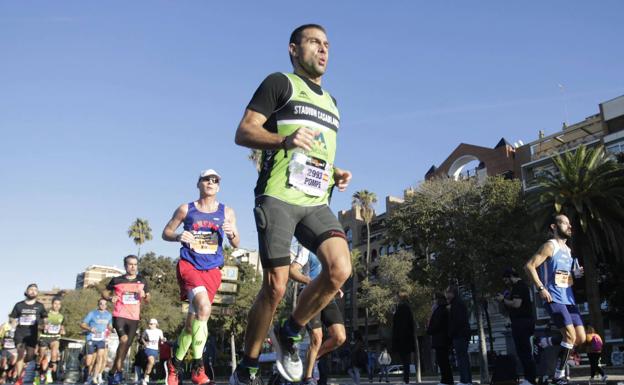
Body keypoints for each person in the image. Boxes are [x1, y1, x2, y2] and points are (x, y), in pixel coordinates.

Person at [231, 23, 352, 385]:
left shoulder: (333, 103)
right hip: (278, 196)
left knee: (339, 269)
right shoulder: (279, 83)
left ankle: (291, 329)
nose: (323, 49)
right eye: (314, 42)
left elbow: (317, 154)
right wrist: (284, 139)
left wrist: (334, 173)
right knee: (276, 286)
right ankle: (248, 368)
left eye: (327, 44)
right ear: (293, 49)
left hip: (315, 201)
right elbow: (244, 131)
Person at [162, 169, 239, 385]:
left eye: (215, 180)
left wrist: (232, 232)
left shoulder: (227, 212)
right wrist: (178, 236)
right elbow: (165, 232)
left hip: (212, 271)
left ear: (219, 187)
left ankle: (174, 365)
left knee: (191, 325)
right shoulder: (186, 209)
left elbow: (236, 242)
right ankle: (198, 368)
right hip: (189, 266)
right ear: (199, 184)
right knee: (204, 308)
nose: (211, 182)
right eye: (207, 179)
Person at [525, 214, 586, 385]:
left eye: (570, 224)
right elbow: (529, 266)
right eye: (564, 223)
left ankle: (544, 342)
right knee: (569, 335)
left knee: (580, 339)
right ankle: (558, 376)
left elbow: (564, 276)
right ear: (554, 226)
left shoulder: (568, 251)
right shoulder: (549, 246)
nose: (569, 226)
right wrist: (541, 288)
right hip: (553, 297)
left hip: (569, 299)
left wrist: (575, 274)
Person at [289, 245, 346, 385]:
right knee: (316, 338)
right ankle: (308, 379)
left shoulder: (330, 248)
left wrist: (336, 287)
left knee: (340, 337)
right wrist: (311, 282)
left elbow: (330, 273)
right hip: (310, 295)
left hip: (328, 295)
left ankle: (313, 359)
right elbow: (292, 271)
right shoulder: (306, 248)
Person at [104, 255, 151, 385]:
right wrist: (109, 298)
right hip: (119, 314)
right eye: (130, 264)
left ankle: (112, 372)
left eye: (135, 264)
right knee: (123, 339)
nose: (133, 267)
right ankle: (118, 373)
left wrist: (144, 296)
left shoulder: (142, 280)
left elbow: (148, 300)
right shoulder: (117, 280)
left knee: (125, 348)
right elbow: (105, 292)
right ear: (125, 266)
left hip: (134, 317)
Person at [496, 268, 536, 385]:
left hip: (521, 323)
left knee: (524, 351)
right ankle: (529, 378)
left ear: (511, 276)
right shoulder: (518, 287)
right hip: (523, 322)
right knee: (524, 351)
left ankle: (530, 379)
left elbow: (517, 304)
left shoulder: (519, 286)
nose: (505, 282)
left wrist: (503, 300)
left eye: (506, 280)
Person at [10, 283, 48, 385]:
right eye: (31, 289)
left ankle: (20, 366)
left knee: (30, 356)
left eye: (35, 290)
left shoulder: (40, 306)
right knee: (21, 354)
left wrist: (45, 325)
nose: (33, 291)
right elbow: (12, 317)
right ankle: (19, 378)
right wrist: (13, 323)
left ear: (37, 293)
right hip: (20, 333)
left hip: (32, 334)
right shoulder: (19, 305)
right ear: (26, 292)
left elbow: (45, 317)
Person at [81, 298, 113, 385]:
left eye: (104, 304)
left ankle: (94, 377)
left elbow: (109, 325)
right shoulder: (92, 313)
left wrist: (111, 329)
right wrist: (90, 328)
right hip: (91, 338)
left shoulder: (109, 315)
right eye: (101, 304)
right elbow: (82, 324)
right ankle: (86, 375)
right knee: (89, 361)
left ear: (106, 305)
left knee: (100, 358)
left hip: (101, 339)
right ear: (98, 304)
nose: (102, 305)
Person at [445, 285, 471, 385]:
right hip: (462, 334)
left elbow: (458, 321)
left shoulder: (456, 304)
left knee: (461, 358)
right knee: (463, 358)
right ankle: (467, 380)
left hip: (460, 334)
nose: (446, 295)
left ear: (453, 293)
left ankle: (464, 380)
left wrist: (451, 332)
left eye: (448, 293)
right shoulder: (457, 303)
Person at [36, 297, 65, 384]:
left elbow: (62, 327)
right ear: (52, 304)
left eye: (59, 304)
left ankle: (49, 372)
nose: (57, 306)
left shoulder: (61, 316)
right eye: (55, 303)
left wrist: (63, 330)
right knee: (41, 358)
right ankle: (40, 373)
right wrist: (43, 327)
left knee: (54, 354)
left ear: (60, 306)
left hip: (55, 337)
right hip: (44, 337)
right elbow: (38, 326)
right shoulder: (45, 314)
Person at [427, 293, 452, 385]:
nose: (433, 301)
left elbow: (436, 325)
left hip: (441, 340)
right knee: (443, 361)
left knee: (443, 361)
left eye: (434, 299)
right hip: (442, 340)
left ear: (438, 299)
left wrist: (429, 330)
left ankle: (446, 380)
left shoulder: (440, 310)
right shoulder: (442, 309)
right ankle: (446, 380)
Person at [392, 293, 415, 385]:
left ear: (401, 299)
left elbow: (399, 324)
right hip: (406, 338)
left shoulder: (402, 309)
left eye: (397, 298)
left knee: (405, 359)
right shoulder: (406, 308)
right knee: (406, 359)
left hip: (403, 338)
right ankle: (406, 379)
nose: (396, 299)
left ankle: (406, 380)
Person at [141, 319, 165, 385]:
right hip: (148, 348)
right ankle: (146, 376)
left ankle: (146, 376)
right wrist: (145, 343)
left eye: (152, 324)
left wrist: (163, 339)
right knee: (151, 361)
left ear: (155, 324)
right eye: (149, 324)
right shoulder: (147, 330)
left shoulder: (159, 331)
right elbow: (142, 338)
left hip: (155, 350)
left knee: (151, 365)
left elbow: (162, 339)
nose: (150, 325)